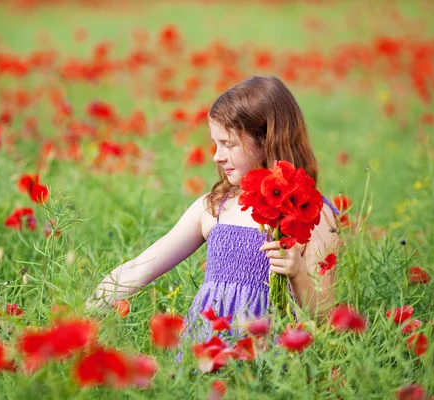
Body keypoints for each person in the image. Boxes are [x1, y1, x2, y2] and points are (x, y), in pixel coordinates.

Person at [86, 76, 340, 346]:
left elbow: (323, 317)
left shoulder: (313, 213)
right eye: (215, 143)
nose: (217, 156)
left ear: (267, 140)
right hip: (206, 355)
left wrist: (298, 272)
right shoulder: (214, 208)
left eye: (229, 144)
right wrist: (83, 315)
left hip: (272, 363)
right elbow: (139, 268)